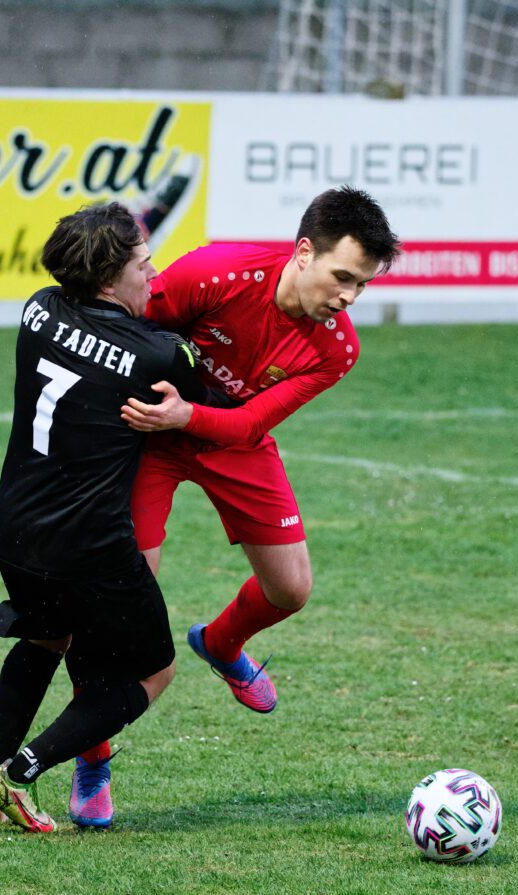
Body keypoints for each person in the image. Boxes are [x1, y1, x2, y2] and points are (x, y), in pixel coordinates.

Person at [0, 202, 229, 833]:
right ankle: (19, 774)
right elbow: (215, 403)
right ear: (110, 281)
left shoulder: (36, 309)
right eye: (143, 262)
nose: (155, 273)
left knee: (47, 638)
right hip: (92, 547)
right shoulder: (156, 355)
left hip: (17, 532)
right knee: (154, 668)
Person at [121, 185, 400, 716]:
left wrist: (190, 414)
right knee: (128, 604)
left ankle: (222, 644)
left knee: (291, 587)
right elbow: (131, 331)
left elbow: (251, 423)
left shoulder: (338, 348)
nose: (349, 298)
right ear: (303, 253)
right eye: (342, 277)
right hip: (151, 433)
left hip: (231, 437)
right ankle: (92, 762)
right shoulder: (216, 272)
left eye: (362, 285)